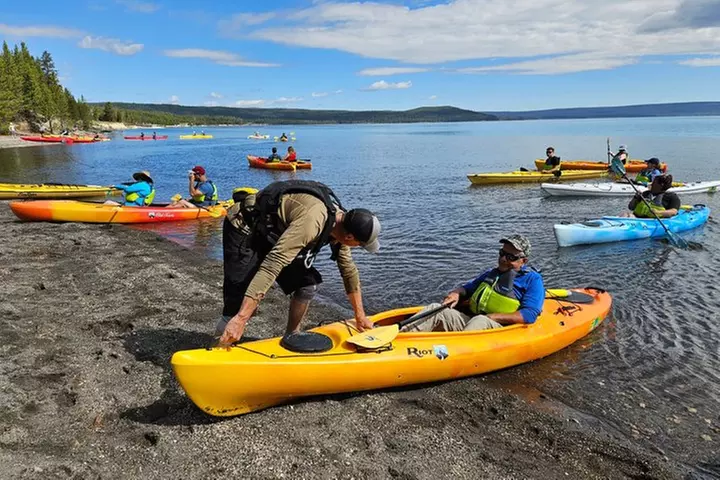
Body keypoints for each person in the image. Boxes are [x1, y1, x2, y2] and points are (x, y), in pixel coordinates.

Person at [217, 180, 381, 346]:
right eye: (360, 244)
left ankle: (291, 337)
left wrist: (360, 315)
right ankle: (217, 348)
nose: (358, 247)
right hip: (244, 226)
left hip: (276, 235)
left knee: (307, 285)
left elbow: (348, 271)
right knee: (237, 303)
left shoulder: (342, 226)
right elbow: (272, 264)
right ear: (350, 237)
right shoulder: (312, 222)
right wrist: (241, 318)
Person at [406, 235, 544, 332]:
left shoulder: (532, 280)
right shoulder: (492, 273)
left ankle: (454, 354)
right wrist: (455, 293)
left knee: (480, 321)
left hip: (501, 329)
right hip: (473, 322)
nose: (502, 259)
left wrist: (491, 317)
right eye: (502, 253)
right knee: (435, 308)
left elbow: (529, 315)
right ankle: (399, 339)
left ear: (523, 261)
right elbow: (467, 289)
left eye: (510, 257)